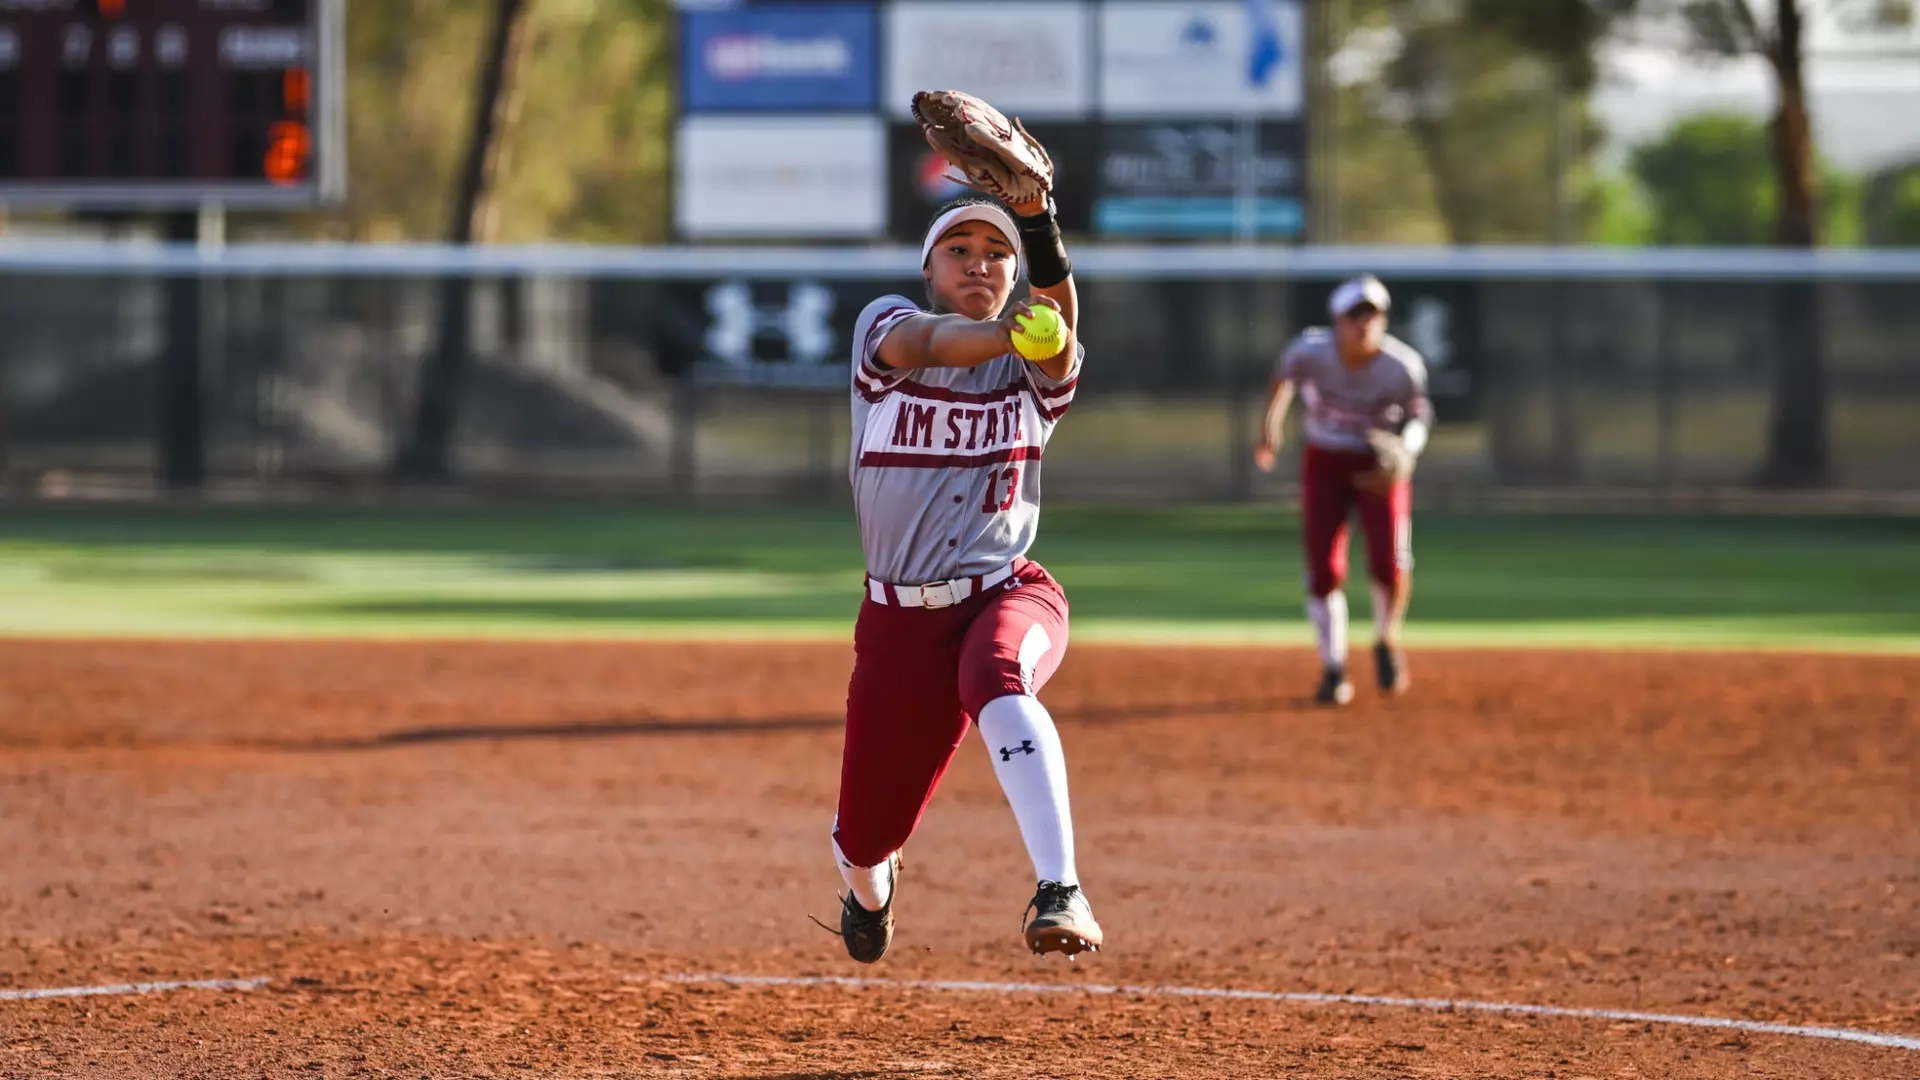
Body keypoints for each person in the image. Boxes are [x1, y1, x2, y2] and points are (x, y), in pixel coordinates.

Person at [829, 180, 1101, 963]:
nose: (979, 264)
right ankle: (868, 893)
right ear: (929, 268)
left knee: (996, 680)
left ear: (1020, 277)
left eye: (997, 255)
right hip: (897, 624)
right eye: (960, 251)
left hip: (1008, 590)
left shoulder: (1038, 372)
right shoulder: (885, 328)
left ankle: (1061, 889)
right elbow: (933, 345)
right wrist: (1019, 329)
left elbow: (1057, 338)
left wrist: (1041, 226)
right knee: (864, 838)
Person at [1254, 275, 1434, 706]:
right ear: (1337, 320)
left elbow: (1419, 415)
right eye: (1355, 316)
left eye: (1373, 315)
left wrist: (1405, 452)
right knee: (1323, 570)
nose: (1364, 325)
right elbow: (1284, 379)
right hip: (1326, 460)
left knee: (1389, 563)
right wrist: (1270, 427)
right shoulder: (1310, 351)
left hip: (1380, 464)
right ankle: (1333, 668)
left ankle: (1387, 639)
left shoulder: (1401, 365)